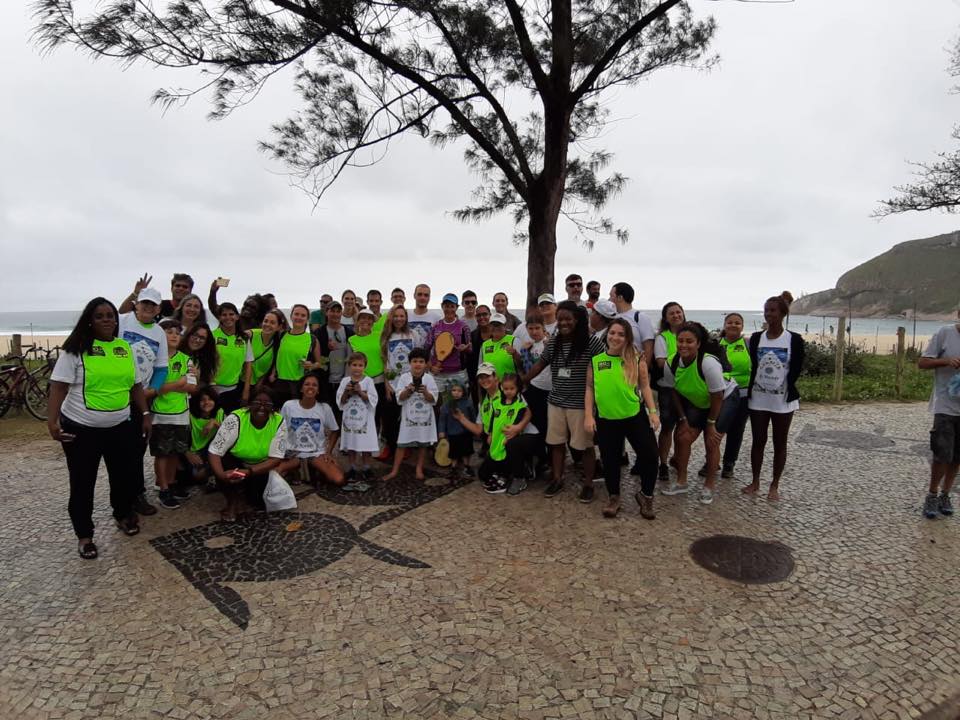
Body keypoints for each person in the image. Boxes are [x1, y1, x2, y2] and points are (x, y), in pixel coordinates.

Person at [47, 297, 149, 558]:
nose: (106, 320)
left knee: (123, 476)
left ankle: (123, 514)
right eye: (100, 316)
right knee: (83, 482)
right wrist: (52, 421)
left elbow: (136, 385)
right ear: (89, 321)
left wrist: (145, 413)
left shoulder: (124, 348)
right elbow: (58, 386)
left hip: (120, 426)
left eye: (110, 315)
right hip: (82, 430)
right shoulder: (75, 349)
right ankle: (85, 535)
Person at [523, 301, 605, 501]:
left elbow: (606, 363)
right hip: (556, 402)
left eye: (568, 319)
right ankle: (557, 479)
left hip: (580, 404)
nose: (563, 323)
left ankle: (588, 484)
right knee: (556, 443)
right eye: (560, 319)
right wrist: (522, 381)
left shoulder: (591, 342)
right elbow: (540, 364)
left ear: (576, 319)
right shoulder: (554, 342)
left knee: (585, 446)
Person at [584, 318, 660, 519]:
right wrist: (588, 416)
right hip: (606, 419)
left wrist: (653, 411)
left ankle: (646, 495)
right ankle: (614, 497)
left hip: (634, 416)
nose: (615, 337)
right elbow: (590, 388)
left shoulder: (636, 359)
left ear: (627, 338)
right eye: (612, 333)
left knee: (651, 455)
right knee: (610, 460)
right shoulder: (596, 361)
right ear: (606, 335)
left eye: (621, 334)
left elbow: (645, 386)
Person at [662, 322, 740, 505]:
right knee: (683, 437)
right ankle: (681, 481)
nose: (684, 345)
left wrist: (711, 424)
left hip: (725, 398)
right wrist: (683, 419)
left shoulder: (708, 363)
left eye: (689, 341)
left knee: (711, 441)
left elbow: (717, 396)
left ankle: (709, 486)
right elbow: (673, 391)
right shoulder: (671, 362)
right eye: (680, 341)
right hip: (700, 400)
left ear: (698, 344)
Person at [745, 292, 805, 501]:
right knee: (758, 441)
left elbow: (797, 367)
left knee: (780, 443)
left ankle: (774, 485)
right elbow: (754, 366)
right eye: (766, 310)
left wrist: (784, 386)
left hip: (783, 401)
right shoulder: (756, 338)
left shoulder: (794, 339)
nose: (768, 314)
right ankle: (755, 481)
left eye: (772, 310)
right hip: (758, 399)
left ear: (782, 313)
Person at [119, 286, 169, 517]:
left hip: (141, 400)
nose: (148, 307)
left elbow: (161, 367)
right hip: (118, 396)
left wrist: (152, 391)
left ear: (158, 309)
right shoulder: (123, 321)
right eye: (144, 303)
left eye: (152, 305)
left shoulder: (159, 333)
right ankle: (122, 499)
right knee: (119, 451)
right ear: (136, 304)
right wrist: (133, 293)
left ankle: (137, 494)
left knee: (137, 449)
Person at [208, 389, 286, 521]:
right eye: (257, 403)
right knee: (223, 464)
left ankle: (244, 495)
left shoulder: (279, 421)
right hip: (234, 461)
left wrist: (249, 472)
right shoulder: (236, 418)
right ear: (249, 404)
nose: (262, 407)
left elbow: (276, 459)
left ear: (274, 408)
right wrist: (221, 475)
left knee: (258, 502)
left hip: (259, 466)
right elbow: (214, 452)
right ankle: (232, 502)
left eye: (267, 404)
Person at [459, 373, 538, 495]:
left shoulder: (518, 399)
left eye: (488, 376)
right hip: (497, 438)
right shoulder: (488, 402)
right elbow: (489, 422)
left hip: (518, 436)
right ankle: (503, 473)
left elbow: (526, 413)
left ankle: (517, 476)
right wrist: (490, 433)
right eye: (481, 377)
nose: (484, 380)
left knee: (510, 446)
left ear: (496, 378)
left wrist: (518, 428)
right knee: (483, 474)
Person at [150, 319, 197, 509]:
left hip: (181, 413)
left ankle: (171, 484)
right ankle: (162, 488)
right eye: (169, 332)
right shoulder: (154, 359)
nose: (174, 336)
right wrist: (178, 383)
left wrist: (169, 386)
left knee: (176, 452)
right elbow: (154, 388)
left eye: (177, 333)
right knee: (162, 453)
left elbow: (192, 387)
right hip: (160, 414)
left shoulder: (186, 359)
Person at [919, 305, 960, 519]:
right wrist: (946, 361)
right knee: (942, 453)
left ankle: (946, 494)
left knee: (957, 456)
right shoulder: (945, 333)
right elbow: (922, 363)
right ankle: (932, 494)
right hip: (945, 405)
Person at [276, 374, 344, 487]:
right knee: (274, 475)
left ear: (318, 390)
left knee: (338, 479)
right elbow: (280, 430)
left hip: (316, 453)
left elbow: (335, 430)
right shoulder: (289, 406)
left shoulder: (325, 408)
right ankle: (296, 470)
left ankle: (309, 468)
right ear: (301, 389)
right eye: (307, 384)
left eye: (314, 385)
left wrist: (328, 452)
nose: (310, 387)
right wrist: (280, 453)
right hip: (293, 453)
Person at [384, 348, 438, 481]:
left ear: (426, 364)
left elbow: (434, 399)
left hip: (424, 416)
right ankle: (395, 470)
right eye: (415, 361)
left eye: (421, 361)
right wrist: (408, 391)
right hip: (409, 417)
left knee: (423, 444)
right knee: (401, 443)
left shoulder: (429, 378)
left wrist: (425, 392)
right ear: (410, 363)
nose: (418, 364)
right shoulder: (404, 378)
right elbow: (399, 398)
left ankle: (419, 468)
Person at [512, 309, 551, 471]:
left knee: (547, 426)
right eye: (531, 328)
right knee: (536, 424)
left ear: (543, 328)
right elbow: (524, 368)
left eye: (537, 328)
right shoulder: (528, 346)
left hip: (549, 390)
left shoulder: (549, 344)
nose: (534, 332)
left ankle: (549, 458)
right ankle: (540, 457)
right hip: (533, 388)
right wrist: (521, 353)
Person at [715, 312, 752, 479]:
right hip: (719, 394)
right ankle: (711, 461)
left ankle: (729, 463)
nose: (733, 325)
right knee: (716, 428)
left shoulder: (748, 344)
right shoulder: (716, 344)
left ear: (742, 326)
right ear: (724, 325)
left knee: (736, 429)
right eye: (730, 322)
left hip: (742, 394)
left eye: (737, 323)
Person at [348, 308, 387, 455]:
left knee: (379, 414)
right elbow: (349, 363)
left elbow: (385, 357)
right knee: (362, 413)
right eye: (363, 318)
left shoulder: (380, 335)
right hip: (361, 383)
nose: (366, 321)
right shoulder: (351, 340)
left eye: (369, 318)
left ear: (373, 321)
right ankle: (359, 445)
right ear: (357, 321)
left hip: (379, 380)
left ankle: (375, 444)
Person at [654, 301, 685, 483]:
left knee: (684, 428)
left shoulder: (690, 333)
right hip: (668, 388)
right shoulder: (663, 338)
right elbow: (660, 362)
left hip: (688, 388)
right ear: (666, 318)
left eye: (678, 312)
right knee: (667, 427)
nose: (676, 315)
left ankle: (678, 459)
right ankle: (663, 463)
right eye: (671, 313)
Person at [336, 352, 380, 480]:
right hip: (350, 419)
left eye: (360, 365)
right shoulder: (345, 381)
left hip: (365, 419)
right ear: (349, 366)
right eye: (354, 365)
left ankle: (366, 467)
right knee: (351, 443)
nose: (357, 368)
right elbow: (340, 401)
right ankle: (352, 467)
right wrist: (347, 391)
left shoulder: (368, 381)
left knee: (366, 444)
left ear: (364, 367)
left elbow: (373, 399)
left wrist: (360, 392)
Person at [381, 304, 415, 461]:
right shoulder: (386, 337)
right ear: (391, 318)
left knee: (407, 417)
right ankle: (390, 446)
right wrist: (386, 384)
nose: (399, 319)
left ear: (406, 318)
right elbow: (385, 362)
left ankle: (406, 446)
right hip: (392, 384)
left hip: (409, 383)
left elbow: (418, 358)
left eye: (402, 316)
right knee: (390, 417)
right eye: (396, 316)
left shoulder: (413, 335)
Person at [271, 304, 323, 404]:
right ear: (291, 316)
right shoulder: (281, 335)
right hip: (279, 383)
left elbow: (319, 363)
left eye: (303, 315)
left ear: (307, 319)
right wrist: (273, 373)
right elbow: (276, 356)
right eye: (296, 314)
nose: (299, 317)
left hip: (299, 385)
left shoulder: (312, 339)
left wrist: (311, 365)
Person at [428, 293, 472, 402]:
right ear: (442, 306)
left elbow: (470, 349)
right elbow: (426, 348)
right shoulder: (435, 326)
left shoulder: (463, 327)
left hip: (458, 374)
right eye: (446, 306)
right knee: (437, 404)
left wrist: (465, 348)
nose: (449, 309)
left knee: (458, 405)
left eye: (452, 306)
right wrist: (431, 367)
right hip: (437, 374)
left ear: (457, 307)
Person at [178, 386, 223, 491]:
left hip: (212, 450)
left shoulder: (219, 412)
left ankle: (214, 475)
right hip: (194, 452)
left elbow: (227, 435)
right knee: (196, 475)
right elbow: (178, 438)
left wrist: (214, 422)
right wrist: (187, 453)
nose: (206, 402)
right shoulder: (190, 416)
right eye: (202, 400)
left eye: (210, 399)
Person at [212, 303, 253, 413]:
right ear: (219, 317)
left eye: (231, 314)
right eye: (224, 315)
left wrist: (246, 390)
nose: (228, 317)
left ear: (237, 317)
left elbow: (248, 365)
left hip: (233, 389)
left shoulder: (244, 338)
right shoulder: (212, 335)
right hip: (213, 389)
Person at [315, 301, 352, 423]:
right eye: (332, 311)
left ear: (341, 313)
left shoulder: (349, 332)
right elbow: (316, 358)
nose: (335, 314)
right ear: (327, 312)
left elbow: (352, 356)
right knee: (327, 413)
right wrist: (327, 349)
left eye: (338, 311)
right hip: (326, 380)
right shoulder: (319, 333)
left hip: (344, 379)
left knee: (342, 413)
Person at [438, 380, 475, 478]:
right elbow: (442, 419)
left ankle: (467, 466)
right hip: (452, 433)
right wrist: (441, 431)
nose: (456, 393)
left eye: (459, 391)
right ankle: (453, 467)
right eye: (454, 390)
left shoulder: (468, 403)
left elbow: (473, 416)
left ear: (464, 391)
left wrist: (474, 427)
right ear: (450, 391)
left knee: (466, 451)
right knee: (453, 452)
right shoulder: (447, 405)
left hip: (466, 431)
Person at [609, 282, 654, 362]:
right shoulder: (611, 318)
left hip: (633, 365)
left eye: (611, 296)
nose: (609, 299)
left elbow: (648, 348)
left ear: (620, 298)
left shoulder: (640, 317)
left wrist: (643, 368)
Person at [246, 309, 286, 393]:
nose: (267, 324)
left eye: (272, 322)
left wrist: (259, 384)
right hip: (239, 381)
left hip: (257, 385)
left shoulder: (278, 344)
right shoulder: (251, 335)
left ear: (279, 327)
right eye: (266, 321)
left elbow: (268, 368)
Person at [468, 304, 494, 402]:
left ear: (490, 315)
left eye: (485, 314)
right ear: (475, 317)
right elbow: (470, 361)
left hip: (496, 379)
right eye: (478, 315)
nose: (482, 317)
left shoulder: (498, 335)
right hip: (478, 382)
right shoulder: (472, 336)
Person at [480, 313, 517, 379]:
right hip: (491, 384)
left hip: (509, 384)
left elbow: (522, 364)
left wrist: (515, 354)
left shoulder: (514, 340)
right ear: (489, 326)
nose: (496, 327)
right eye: (493, 325)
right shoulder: (484, 345)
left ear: (505, 326)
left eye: (499, 325)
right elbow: (481, 368)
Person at [409, 284, 441, 348]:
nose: (422, 298)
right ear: (414, 296)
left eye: (426, 295)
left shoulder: (437, 318)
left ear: (429, 298)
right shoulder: (406, 316)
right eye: (419, 294)